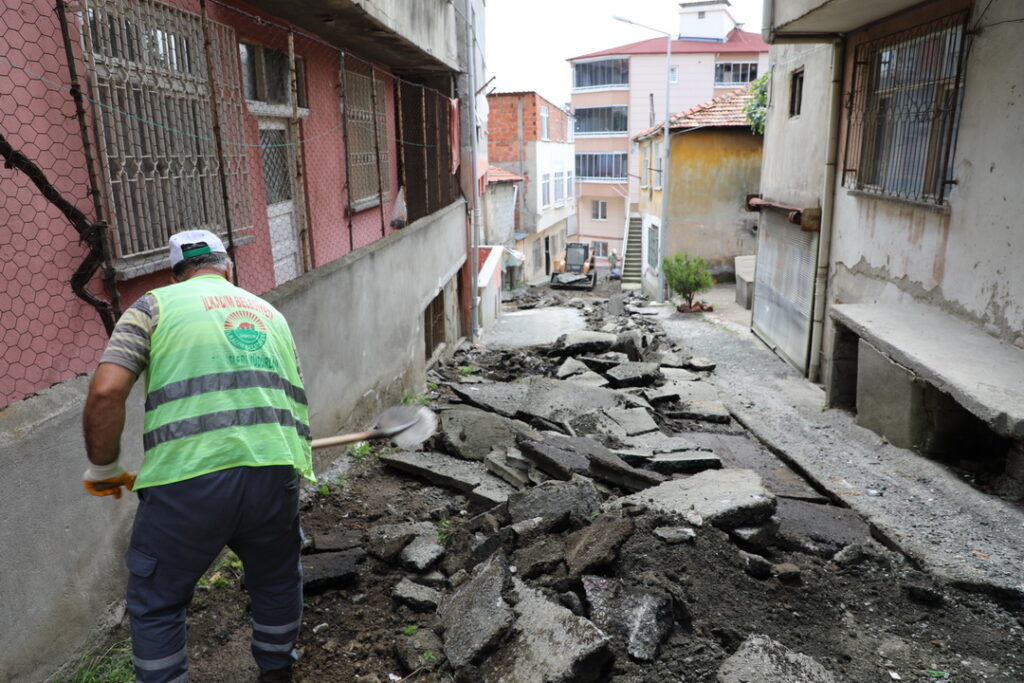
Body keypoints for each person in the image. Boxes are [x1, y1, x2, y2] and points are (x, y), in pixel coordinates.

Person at [82, 229, 314, 683]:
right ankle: (276, 674)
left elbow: (106, 393)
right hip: (275, 473)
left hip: (188, 483)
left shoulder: (153, 307)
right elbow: (293, 400)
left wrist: (105, 468)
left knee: (157, 602)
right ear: (228, 267)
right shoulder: (271, 315)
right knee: (277, 580)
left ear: (176, 274)